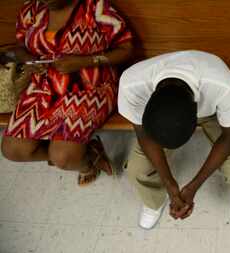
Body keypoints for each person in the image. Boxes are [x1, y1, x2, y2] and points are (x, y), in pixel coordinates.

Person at [118, 50, 230, 233]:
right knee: (137, 168)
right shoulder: (131, 84)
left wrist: (193, 186)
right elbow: (144, 135)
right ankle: (153, 201)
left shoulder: (221, 84)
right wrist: (169, 184)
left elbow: (229, 137)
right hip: (161, 117)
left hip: (213, 112)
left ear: (196, 109)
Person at [1, 0, 133, 185]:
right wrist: (30, 59)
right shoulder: (31, 9)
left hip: (92, 86)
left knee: (63, 156)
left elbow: (126, 49)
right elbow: (20, 47)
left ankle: (86, 164)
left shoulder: (94, 8)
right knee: (12, 150)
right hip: (44, 87)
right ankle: (89, 153)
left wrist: (85, 61)